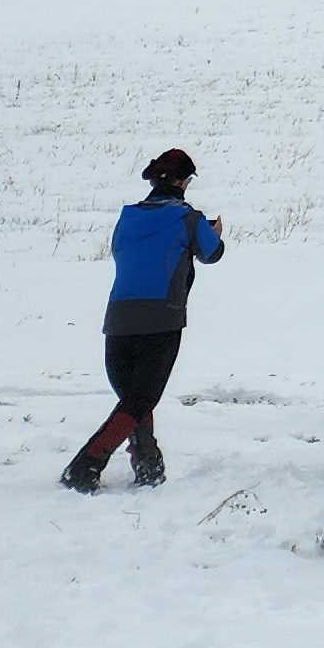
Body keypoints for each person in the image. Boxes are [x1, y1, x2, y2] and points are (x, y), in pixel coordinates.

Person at [62, 147, 223, 492]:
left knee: (134, 398)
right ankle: (86, 464)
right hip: (162, 318)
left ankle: (148, 462)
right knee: (141, 399)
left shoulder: (128, 217)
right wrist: (214, 232)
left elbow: (125, 251)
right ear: (184, 182)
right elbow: (212, 253)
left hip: (119, 317)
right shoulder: (190, 219)